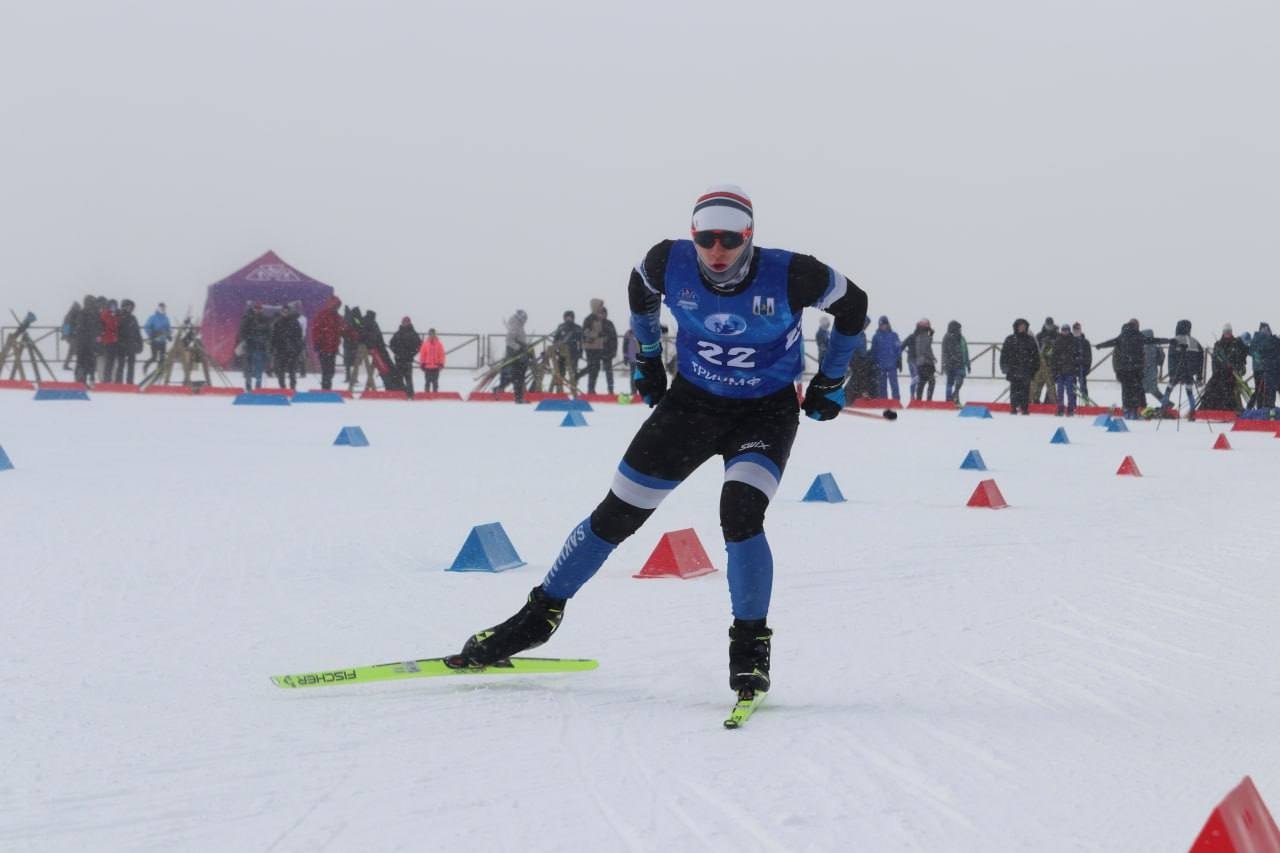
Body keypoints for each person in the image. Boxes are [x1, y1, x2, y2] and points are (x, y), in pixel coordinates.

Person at [448, 185, 868, 701]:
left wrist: (831, 377)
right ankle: (537, 618)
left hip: (764, 414)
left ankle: (750, 650)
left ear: (750, 236)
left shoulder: (793, 273)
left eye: (730, 239)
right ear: (692, 236)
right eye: (706, 239)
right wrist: (647, 355)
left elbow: (855, 305)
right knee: (617, 515)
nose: (717, 250)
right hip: (691, 407)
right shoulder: (667, 261)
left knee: (740, 514)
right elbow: (640, 288)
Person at [1095, 319, 1147, 419]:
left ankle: (1131, 410)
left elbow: (1112, 346)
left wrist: (1101, 345)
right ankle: (1132, 410)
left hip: (1127, 370)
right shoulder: (1132, 337)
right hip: (1132, 370)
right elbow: (1116, 358)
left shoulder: (1124, 337)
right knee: (1134, 390)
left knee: (1128, 391)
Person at [1158, 320, 1203, 417]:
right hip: (1189, 371)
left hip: (1177, 370)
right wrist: (1198, 375)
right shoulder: (1195, 342)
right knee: (1189, 391)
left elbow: (1171, 358)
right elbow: (1200, 358)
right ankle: (1192, 412)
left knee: (1169, 389)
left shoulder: (1174, 340)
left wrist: (1171, 372)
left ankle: (1163, 409)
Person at [1201, 324, 1249, 411]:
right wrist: (1217, 371)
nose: (1227, 333)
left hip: (1232, 374)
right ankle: (1209, 408)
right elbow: (1215, 361)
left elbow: (1240, 359)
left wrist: (1236, 368)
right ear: (1223, 332)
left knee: (1228, 388)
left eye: (1229, 332)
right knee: (1211, 386)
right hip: (1219, 373)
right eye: (1226, 332)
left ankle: (1229, 408)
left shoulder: (1236, 344)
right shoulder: (1218, 345)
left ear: (1231, 332)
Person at [1000, 318, 1039, 414]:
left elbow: (1035, 356)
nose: (1022, 328)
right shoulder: (1010, 339)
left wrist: (1034, 369)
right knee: (1014, 389)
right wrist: (1005, 367)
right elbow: (1004, 354)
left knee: (1025, 390)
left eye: (1024, 326)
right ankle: (1013, 408)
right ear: (1016, 327)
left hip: (1026, 370)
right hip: (1013, 370)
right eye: (1020, 326)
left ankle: (1024, 409)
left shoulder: (1030, 340)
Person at [312, 296, 351, 390]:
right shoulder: (322, 315)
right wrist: (317, 343)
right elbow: (315, 330)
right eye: (336, 306)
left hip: (332, 348)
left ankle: (326, 388)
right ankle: (326, 388)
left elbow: (345, 329)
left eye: (338, 306)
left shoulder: (337, 317)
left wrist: (352, 334)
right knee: (327, 370)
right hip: (324, 348)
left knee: (330, 371)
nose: (337, 308)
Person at [581, 299, 618, 394]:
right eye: (601, 312)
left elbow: (614, 338)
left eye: (604, 313)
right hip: (594, 350)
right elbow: (585, 333)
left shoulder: (609, 324)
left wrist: (613, 350)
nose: (602, 315)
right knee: (593, 370)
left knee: (608, 372)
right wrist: (595, 336)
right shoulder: (589, 319)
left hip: (607, 351)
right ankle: (591, 389)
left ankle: (610, 390)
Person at [237, 302, 272, 391]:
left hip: (260, 346)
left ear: (262, 309)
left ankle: (258, 386)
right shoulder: (247, 318)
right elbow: (242, 332)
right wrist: (249, 338)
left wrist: (264, 339)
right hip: (250, 345)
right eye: (256, 308)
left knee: (259, 367)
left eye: (259, 308)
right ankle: (248, 384)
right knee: (248, 366)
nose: (258, 310)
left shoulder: (265, 319)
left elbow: (269, 333)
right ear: (253, 309)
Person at [271, 305, 305, 391]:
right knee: (280, 370)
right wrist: (272, 347)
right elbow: (274, 336)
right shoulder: (278, 322)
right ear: (281, 312)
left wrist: (298, 348)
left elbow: (299, 337)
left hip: (292, 350)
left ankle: (292, 387)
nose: (285, 313)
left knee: (292, 370)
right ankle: (282, 387)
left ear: (289, 312)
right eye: (283, 312)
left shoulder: (295, 322)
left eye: (286, 311)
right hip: (281, 349)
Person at [1050, 324, 1080, 415]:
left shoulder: (1073, 341)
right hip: (1059, 371)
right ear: (1061, 331)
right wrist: (1054, 370)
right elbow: (1053, 357)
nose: (1065, 332)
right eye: (1063, 330)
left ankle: (1070, 409)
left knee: (1070, 391)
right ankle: (1060, 408)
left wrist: (1076, 367)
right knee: (1060, 391)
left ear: (1069, 331)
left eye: (1066, 330)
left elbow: (1077, 355)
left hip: (1070, 371)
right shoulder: (1057, 341)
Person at [869, 316, 901, 400]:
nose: (882, 326)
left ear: (887, 324)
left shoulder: (894, 335)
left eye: (884, 324)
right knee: (882, 384)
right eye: (881, 325)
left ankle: (896, 400)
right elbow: (874, 350)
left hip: (892, 364)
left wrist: (899, 360)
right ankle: (883, 400)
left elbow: (898, 348)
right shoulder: (876, 337)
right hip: (880, 364)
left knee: (894, 383)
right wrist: (874, 361)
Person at [389, 316, 422, 398]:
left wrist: (411, 354)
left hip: (408, 360)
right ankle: (400, 394)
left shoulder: (413, 334)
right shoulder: (398, 333)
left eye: (407, 322)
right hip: (399, 360)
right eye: (404, 322)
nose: (405, 323)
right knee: (398, 378)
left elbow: (419, 345)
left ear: (409, 323)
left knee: (408, 379)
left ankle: (410, 394)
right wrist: (396, 353)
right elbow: (391, 344)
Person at [551, 310, 583, 393]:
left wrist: (580, 352)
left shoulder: (578, 328)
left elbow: (581, 342)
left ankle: (574, 390)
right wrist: (555, 350)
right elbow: (556, 339)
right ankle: (559, 390)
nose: (568, 319)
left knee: (573, 374)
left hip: (573, 354)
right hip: (562, 353)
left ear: (573, 318)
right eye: (567, 317)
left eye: (570, 317)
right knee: (560, 373)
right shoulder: (561, 327)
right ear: (564, 318)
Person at [1030, 316, 1058, 405]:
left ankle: (1051, 402)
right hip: (1040, 364)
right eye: (1047, 325)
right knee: (1037, 384)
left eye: (1050, 325)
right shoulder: (1040, 335)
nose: (1049, 327)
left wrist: (1053, 344)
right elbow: (1034, 349)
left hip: (1051, 365)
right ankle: (1034, 401)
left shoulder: (1057, 336)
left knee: (1051, 386)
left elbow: (1059, 350)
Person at [940, 320, 969, 403]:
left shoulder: (959, 337)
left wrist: (967, 362)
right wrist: (955, 360)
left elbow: (964, 351)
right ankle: (950, 400)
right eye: (959, 328)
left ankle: (953, 397)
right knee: (951, 382)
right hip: (951, 364)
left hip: (957, 363)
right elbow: (949, 351)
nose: (960, 330)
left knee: (956, 381)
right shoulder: (948, 337)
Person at [910, 319, 936, 401]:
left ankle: (918, 400)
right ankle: (928, 400)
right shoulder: (924, 337)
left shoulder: (918, 336)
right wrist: (932, 358)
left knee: (922, 382)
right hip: (926, 363)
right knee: (931, 381)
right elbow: (927, 349)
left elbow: (926, 347)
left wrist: (930, 336)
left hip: (920, 363)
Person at [142, 303, 172, 374]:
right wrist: (152, 333)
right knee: (154, 357)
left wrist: (169, 335)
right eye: (161, 308)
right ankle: (145, 366)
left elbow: (168, 328)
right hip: (155, 341)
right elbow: (146, 327)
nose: (163, 309)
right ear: (158, 308)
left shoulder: (166, 318)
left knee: (162, 358)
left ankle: (159, 371)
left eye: (164, 308)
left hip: (163, 341)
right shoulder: (153, 317)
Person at [418, 328, 446, 393]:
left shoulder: (439, 344)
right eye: (430, 334)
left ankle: (435, 394)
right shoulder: (425, 344)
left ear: (435, 334)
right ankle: (426, 394)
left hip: (436, 366)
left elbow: (441, 354)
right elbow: (422, 354)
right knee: (427, 382)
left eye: (433, 334)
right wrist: (422, 363)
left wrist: (441, 363)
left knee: (435, 382)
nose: (432, 335)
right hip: (427, 366)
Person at [1071, 322, 1093, 402]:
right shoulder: (1069, 341)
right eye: (1075, 329)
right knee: (1072, 388)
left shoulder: (1085, 342)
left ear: (1080, 330)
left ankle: (1085, 402)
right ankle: (1072, 403)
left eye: (1078, 329)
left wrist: (1087, 368)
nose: (1076, 331)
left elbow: (1089, 356)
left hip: (1082, 368)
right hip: (1072, 368)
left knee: (1083, 387)